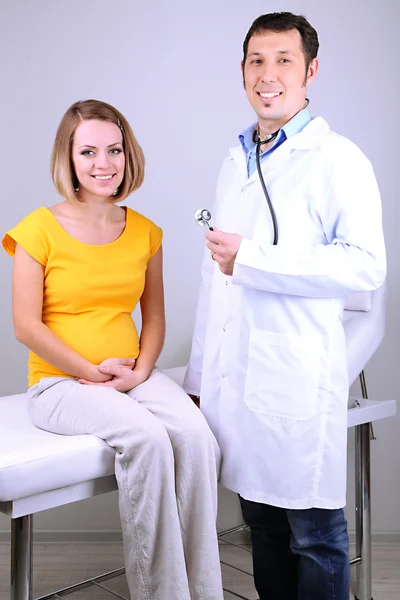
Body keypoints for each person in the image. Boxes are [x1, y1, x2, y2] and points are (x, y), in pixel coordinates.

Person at [183, 12, 386, 600]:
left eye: (283, 61)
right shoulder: (235, 158)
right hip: (237, 376)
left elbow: (364, 265)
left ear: (310, 71)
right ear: (242, 71)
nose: (268, 74)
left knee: (314, 536)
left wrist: (256, 259)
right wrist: (199, 378)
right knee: (262, 528)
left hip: (293, 375)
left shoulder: (337, 159)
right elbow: (213, 277)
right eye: (256, 61)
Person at [3, 99, 223, 600]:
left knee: (196, 435)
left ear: (129, 156)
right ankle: (161, 592)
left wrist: (140, 371)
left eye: (114, 150)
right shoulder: (37, 230)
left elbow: (156, 317)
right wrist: (89, 371)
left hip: (131, 375)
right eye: (88, 152)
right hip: (60, 383)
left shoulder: (144, 231)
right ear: (68, 159)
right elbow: (25, 325)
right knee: (146, 439)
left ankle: (202, 590)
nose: (104, 163)